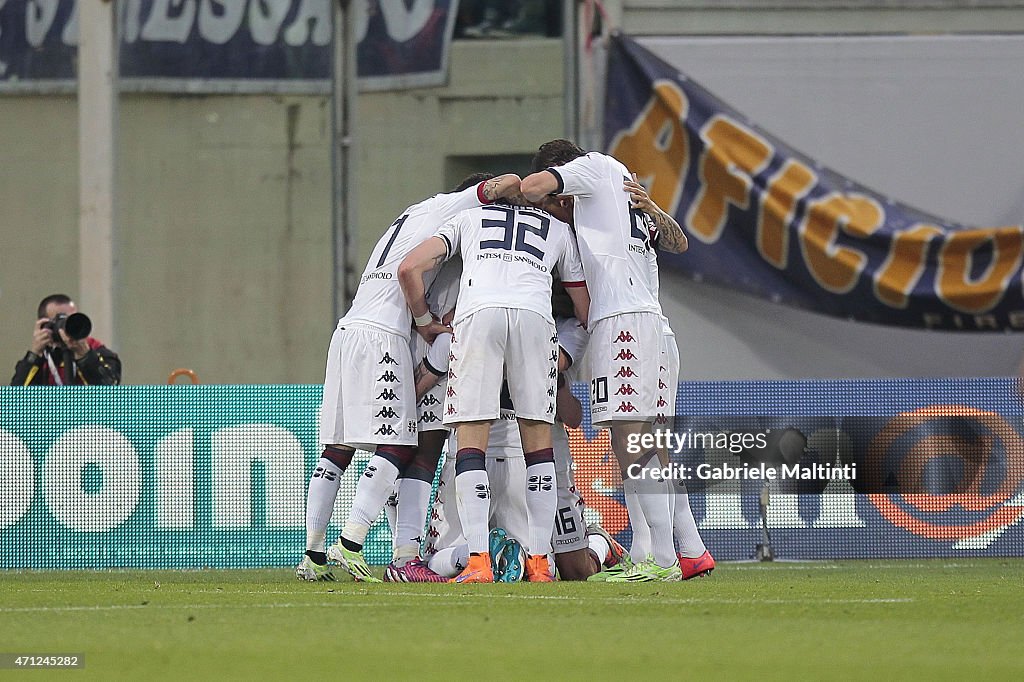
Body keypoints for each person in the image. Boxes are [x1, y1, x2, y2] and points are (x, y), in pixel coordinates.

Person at [295, 172, 523, 583]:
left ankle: (316, 556)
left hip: (348, 331)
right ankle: (351, 544)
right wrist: (534, 187)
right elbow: (497, 187)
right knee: (402, 447)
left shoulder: (415, 214)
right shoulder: (458, 212)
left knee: (339, 449)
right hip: (390, 336)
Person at [521, 139, 690, 582]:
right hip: (650, 319)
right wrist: (652, 207)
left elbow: (538, 186)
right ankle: (673, 551)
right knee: (645, 442)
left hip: (622, 323)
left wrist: (503, 192)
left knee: (632, 442)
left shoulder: (593, 169)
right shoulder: (623, 203)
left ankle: (663, 559)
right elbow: (679, 242)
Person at [399, 197, 590, 583]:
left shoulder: (468, 217)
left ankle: (478, 561)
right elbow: (585, 307)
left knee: (471, 440)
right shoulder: (557, 229)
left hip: (480, 311)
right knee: (539, 442)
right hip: (537, 316)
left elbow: (410, 267)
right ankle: (539, 563)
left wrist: (423, 321)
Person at [10, 294, 121, 386]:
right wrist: (34, 355)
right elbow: (16, 399)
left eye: (72, 319)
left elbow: (109, 390)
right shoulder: (41, 358)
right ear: (44, 325)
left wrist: (85, 356)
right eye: (60, 321)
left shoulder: (98, 351)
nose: (67, 327)